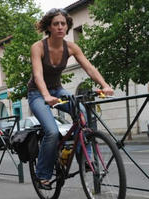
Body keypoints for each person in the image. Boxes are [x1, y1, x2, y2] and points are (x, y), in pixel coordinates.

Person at [27, 8, 114, 189]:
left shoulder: (72, 47)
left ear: (67, 27)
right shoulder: (38, 47)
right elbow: (38, 75)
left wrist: (104, 85)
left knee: (82, 112)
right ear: (49, 27)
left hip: (58, 90)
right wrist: (46, 96)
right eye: (56, 24)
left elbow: (89, 68)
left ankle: (84, 158)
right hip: (37, 93)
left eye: (63, 24)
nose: (60, 27)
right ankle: (42, 174)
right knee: (51, 131)